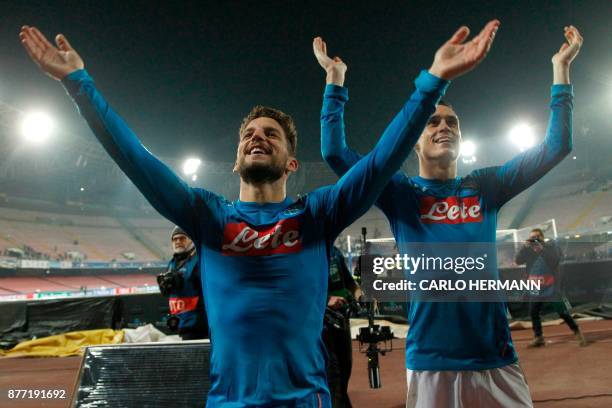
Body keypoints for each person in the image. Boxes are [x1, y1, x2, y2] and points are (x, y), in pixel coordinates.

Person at [17, 20, 489, 406]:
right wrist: (79, 85)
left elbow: (382, 161)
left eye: (271, 133)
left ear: (290, 162)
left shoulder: (318, 213)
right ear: (237, 156)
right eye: (248, 134)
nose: (256, 137)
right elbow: (136, 160)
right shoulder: (207, 215)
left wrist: (431, 84)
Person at [316, 22, 582, 407]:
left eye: (452, 122)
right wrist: (335, 83)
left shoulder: (486, 186)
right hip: (430, 364)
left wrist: (561, 69)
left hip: (496, 360)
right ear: (416, 142)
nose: (444, 127)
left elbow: (557, 145)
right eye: (433, 122)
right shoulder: (399, 192)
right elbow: (335, 153)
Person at [515, 228, 587, 347]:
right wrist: (523, 247)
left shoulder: (550, 247)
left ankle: (577, 331)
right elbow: (518, 261)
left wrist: (542, 249)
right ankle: (539, 337)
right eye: (532, 237)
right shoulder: (528, 250)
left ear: (542, 237)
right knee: (533, 312)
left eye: (537, 237)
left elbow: (555, 261)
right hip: (535, 287)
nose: (534, 239)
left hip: (550, 286)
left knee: (561, 311)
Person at [323, 246, 361, 408]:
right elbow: (300, 289)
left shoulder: (335, 252)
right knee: (333, 373)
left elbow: (349, 282)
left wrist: (360, 293)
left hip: (341, 319)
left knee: (345, 367)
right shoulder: (309, 251)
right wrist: (328, 299)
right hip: (321, 323)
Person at [157, 226, 208, 340]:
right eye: (175, 239)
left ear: (191, 240)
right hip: (181, 323)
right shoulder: (172, 263)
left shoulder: (199, 260)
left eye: (182, 238)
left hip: (199, 325)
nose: (178, 242)